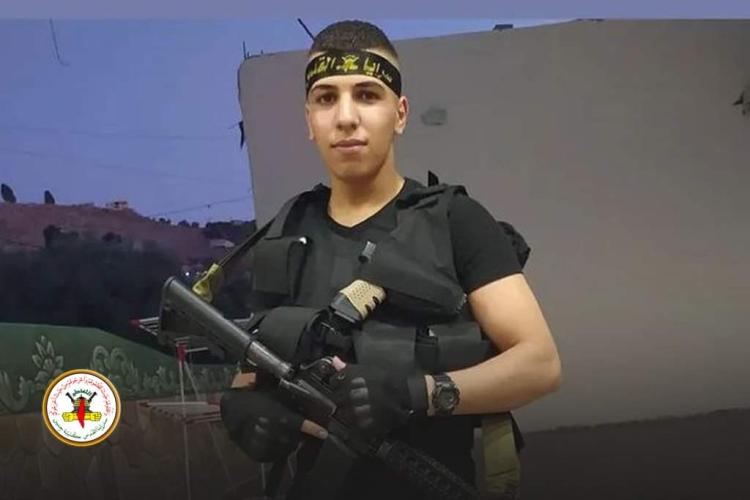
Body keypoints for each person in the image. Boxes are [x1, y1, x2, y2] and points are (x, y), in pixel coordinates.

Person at [219, 20, 562, 500]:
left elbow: (540, 364)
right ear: (309, 121)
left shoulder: (455, 220)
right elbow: (257, 366)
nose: (345, 117)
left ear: (399, 114)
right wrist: (244, 407)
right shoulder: (288, 232)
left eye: (366, 95)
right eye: (326, 98)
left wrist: (415, 393)